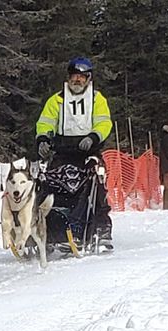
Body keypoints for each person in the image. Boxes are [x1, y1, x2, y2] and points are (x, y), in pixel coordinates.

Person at [35, 57, 113, 243]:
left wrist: (94, 137)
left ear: (88, 78)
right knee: (49, 184)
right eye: (74, 76)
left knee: (96, 185)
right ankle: (47, 227)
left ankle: (102, 227)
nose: (77, 80)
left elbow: (104, 122)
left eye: (81, 77)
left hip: (88, 150)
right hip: (62, 150)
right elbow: (45, 122)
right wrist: (43, 139)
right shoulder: (57, 99)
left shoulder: (97, 99)